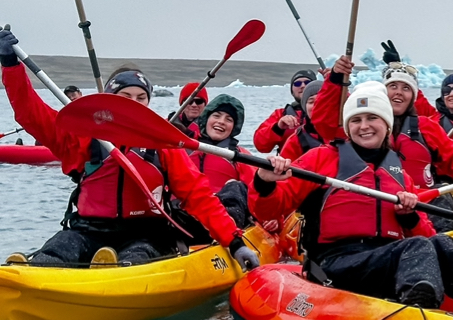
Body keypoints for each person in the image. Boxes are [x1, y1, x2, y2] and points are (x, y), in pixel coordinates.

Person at [251, 81, 453, 316]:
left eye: (372, 118)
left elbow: (425, 234)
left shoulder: (399, 175)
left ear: (386, 124)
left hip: (384, 260)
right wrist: (264, 182)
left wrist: (410, 214)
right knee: (416, 247)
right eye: (356, 120)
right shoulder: (320, 159)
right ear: (347, 128)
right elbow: (271, 209)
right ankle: (420, 311)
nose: (364, 126)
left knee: (441, 242)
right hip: (337, 263)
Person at [0, 28, 259, 269]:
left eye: (141, 98)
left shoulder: (163, 145)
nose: (134, 104)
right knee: (54, 253)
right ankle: (28, 276)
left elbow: (197, 195)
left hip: (146, 233)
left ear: (148, 102)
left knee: (135, 257)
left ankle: (112, 271)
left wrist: (233, 241)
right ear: (112, 99)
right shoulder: (84, 137)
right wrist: (11, 65)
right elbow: (31, 115)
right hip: (88, 230)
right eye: (126, 97)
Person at [311, 57, 453, 232]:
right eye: (393, 86)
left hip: (418, 202)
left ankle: (446, 243)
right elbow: (323, 121)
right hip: (370, 202)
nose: (398, 93)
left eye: (406, 88)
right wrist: (335, 79)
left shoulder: (426, 127)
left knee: (442, 197)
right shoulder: (361, 127)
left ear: (413, 96)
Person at [174, 93, 252, 239]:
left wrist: (271, 219)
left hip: (225, 217)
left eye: (229, 119)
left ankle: (228, 232)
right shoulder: (183, 150)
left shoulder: (241, 156)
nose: (221, 122)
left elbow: (258, 193)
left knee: (235, 186)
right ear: (206, 119)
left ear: (234, 127)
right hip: (187, 215)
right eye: (216, 116)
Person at [253, 69, 316, 153]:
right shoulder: (281, 114)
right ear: (292, 91)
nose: (302, 86)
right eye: (297, 83)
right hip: (290, 164)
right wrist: (278, 127)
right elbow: (261, 145)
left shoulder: (330, 111)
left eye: (307, 82)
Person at [279, 79, 324, 161]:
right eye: (311, 102)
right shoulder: (296, 140)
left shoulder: (346, 133)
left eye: (321, 100)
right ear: (305, 107)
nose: (316, 105)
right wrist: (277, 128)